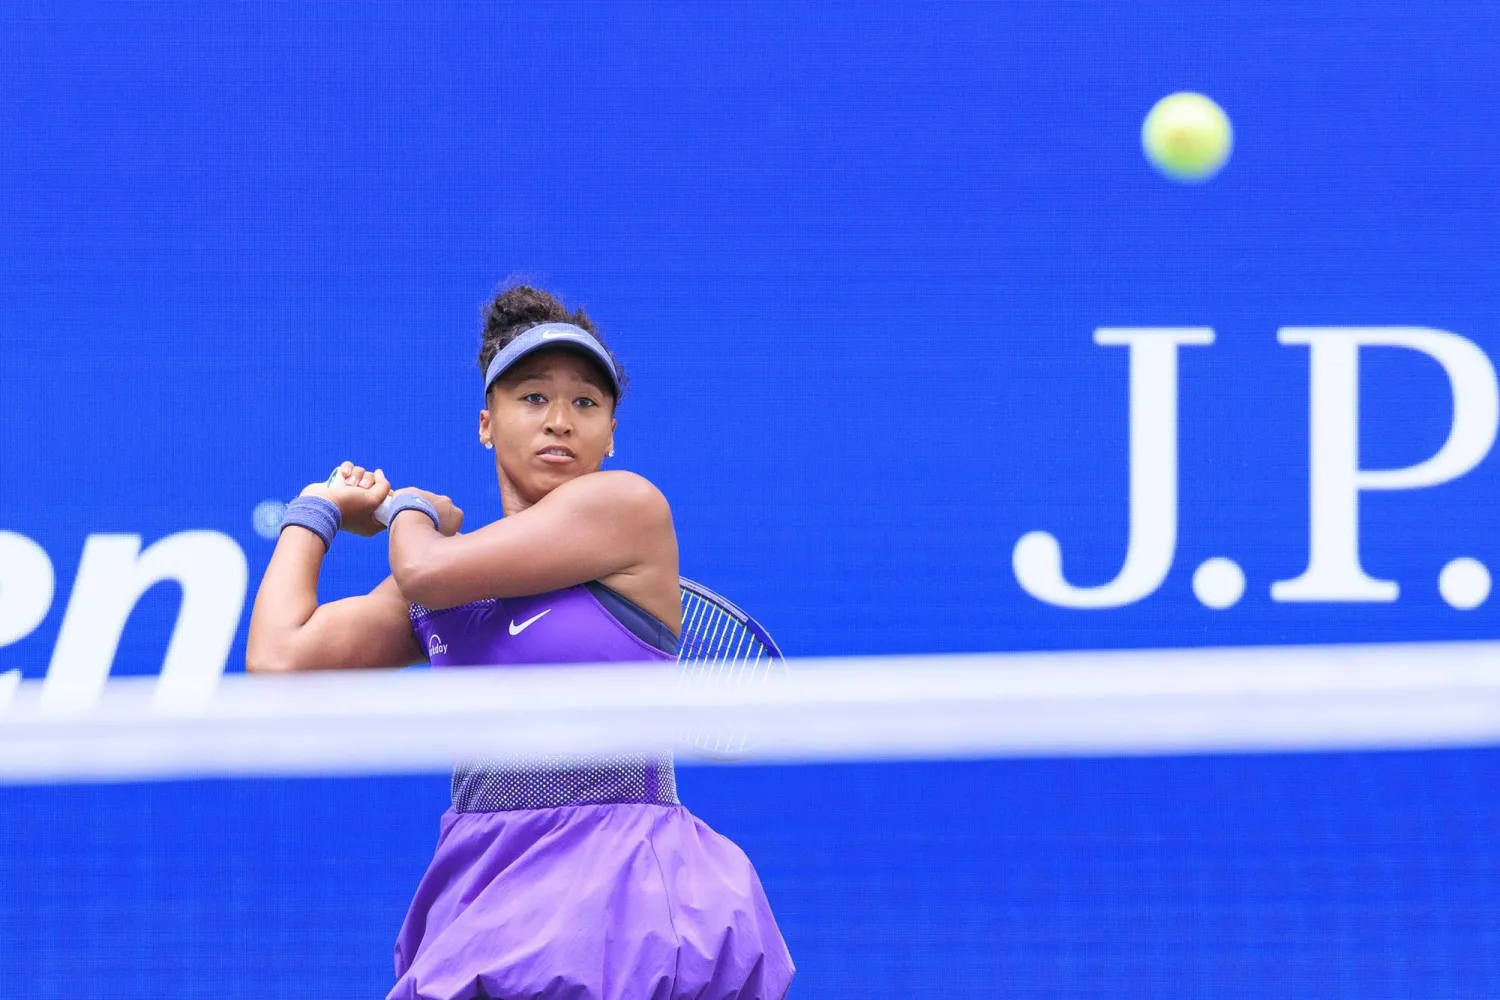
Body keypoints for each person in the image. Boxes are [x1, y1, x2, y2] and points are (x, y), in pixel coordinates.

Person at [246, 285, 794, 1000]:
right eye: (533, 399)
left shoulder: (625, 507)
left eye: (586, 404)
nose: (560, 421)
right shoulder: (449, 581)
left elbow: (423, 567)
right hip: (484, 886)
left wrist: (412, 509)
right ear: (486, 423)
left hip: (626, 892)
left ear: (611, 435)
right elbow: (279, 660)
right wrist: (316, 508)